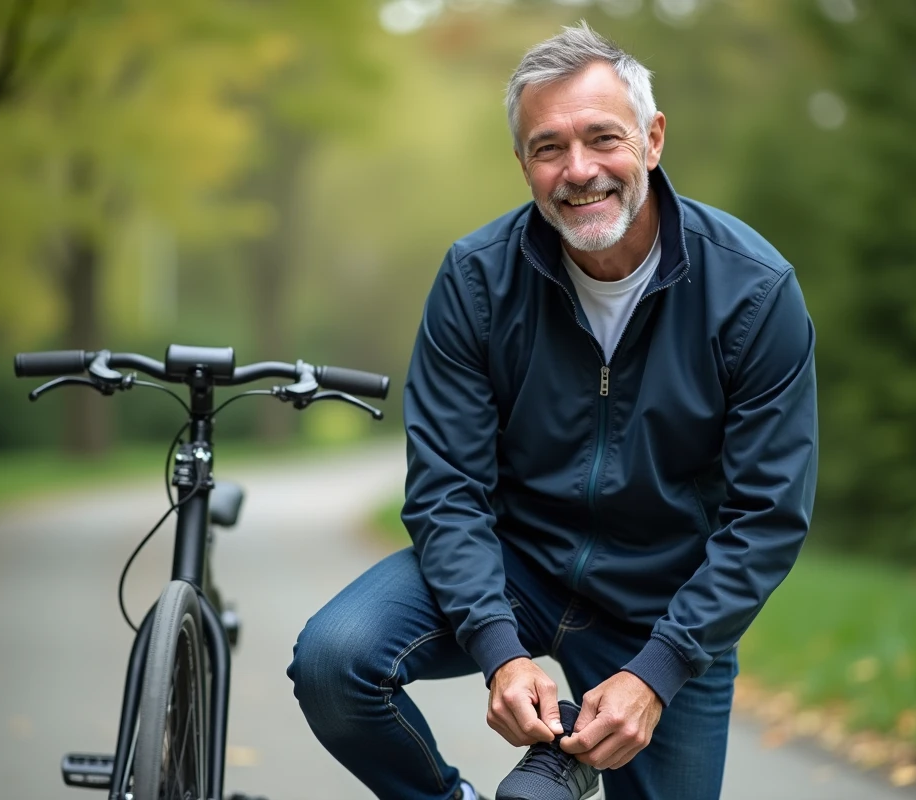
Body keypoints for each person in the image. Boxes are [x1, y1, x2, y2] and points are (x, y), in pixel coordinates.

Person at [287, 21, 818, 800]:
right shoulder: (476, 280)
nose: (579, 170)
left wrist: (661, 669)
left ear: (653, 139)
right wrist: (500, 651)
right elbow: (445, 489)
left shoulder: (754, 290)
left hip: (663, 604)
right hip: (515, 569)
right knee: (335, 660)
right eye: (548, 148)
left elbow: (767, 515)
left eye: (603, 138)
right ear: (523, 164)